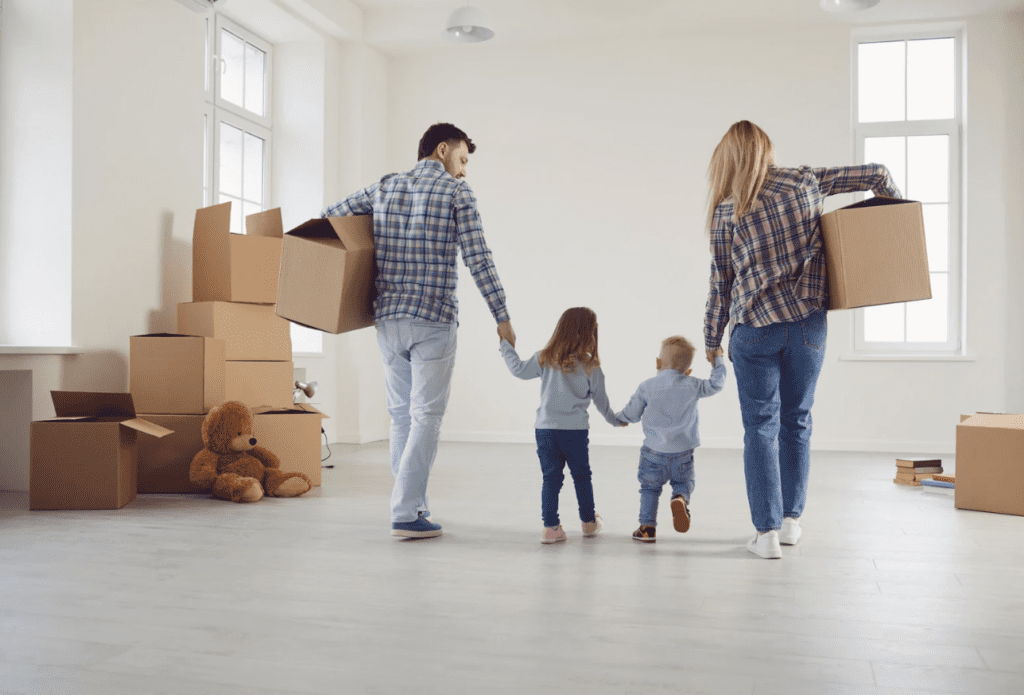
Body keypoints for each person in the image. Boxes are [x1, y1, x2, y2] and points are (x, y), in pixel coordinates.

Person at [703, 120, 902, 559]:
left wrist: (711, 338)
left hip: (754, 330)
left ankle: (767, 534)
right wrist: (891, 228)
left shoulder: (725, 210)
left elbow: (722, 283)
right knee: (797, 422)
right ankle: (792, 522)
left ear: (729, 159)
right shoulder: (806, 180)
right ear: (767, 151)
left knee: (760, 429)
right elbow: (877, 173)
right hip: (808, 326)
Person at [323, 123, 516, 539]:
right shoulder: (456, 193)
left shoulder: (384, 188)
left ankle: (412, 503)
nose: (464, 171)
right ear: (442, 150)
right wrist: (501, 315)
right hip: (433, 319)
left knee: (400, 417)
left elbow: (330, 216)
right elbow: (478, 258)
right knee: (426, 416)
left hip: (388, 318)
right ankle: (407, 512)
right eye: (462, 159)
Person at [499, 307, 623, 544]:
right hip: (575, 432)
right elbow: (602, 403)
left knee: (551, 478)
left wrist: (505, 344)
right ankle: (588, 523)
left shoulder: (544, 358)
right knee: (582, 476)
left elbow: (517, 370)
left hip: (545, 430)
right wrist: (616, 421)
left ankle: (551, 527)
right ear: (590, 334)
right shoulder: (591, 367)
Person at [615, 336, 726, 543]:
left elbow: (632, 413)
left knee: (649, 488)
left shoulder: (647, 386)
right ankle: (680, 498)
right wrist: (717, 359)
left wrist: (619, 419)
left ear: (658, 363)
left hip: (653, 452)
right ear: (689, 371)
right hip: (683, 452)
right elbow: (716, 384)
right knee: (684, 483)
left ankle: (647, 528)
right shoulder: (692, 384)